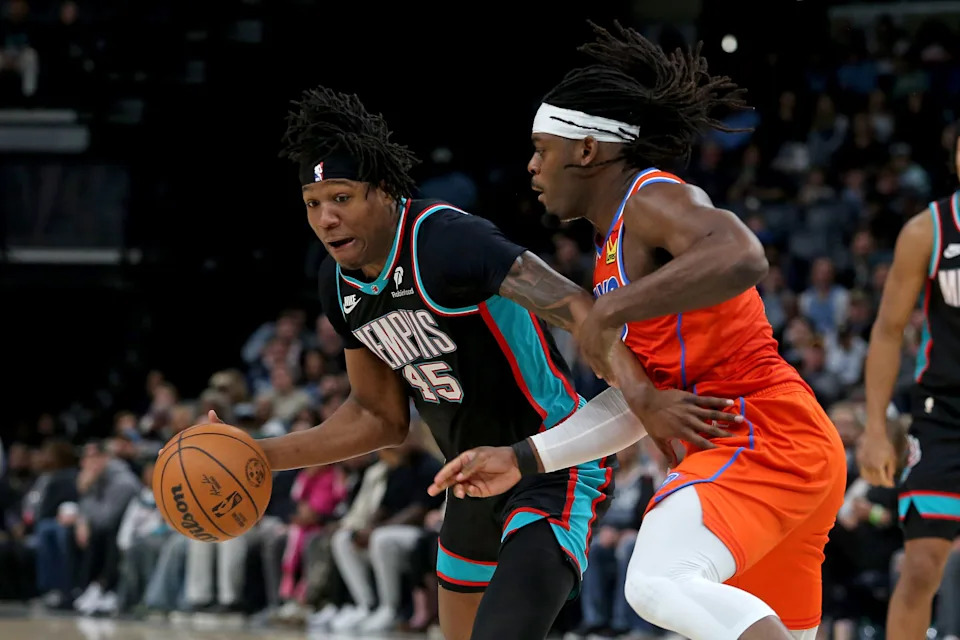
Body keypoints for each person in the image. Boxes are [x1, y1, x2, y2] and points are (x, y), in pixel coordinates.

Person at [191, 85, 736, 640]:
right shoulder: (338, 283)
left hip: (550, 464)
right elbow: (377, 417)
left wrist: (644, 399)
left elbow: (579, 309)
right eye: (313, 204)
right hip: (471, 480)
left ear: (382, 192)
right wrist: (258, 454)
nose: (327, 218)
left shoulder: (446, 240)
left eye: (341, 197)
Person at [428, 22, 847, 640]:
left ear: (588, 151)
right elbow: (639, 403)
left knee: (658, 582)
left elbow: (743, 255)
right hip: (777, 446)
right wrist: (522, 459)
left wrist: (609, 311)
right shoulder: (610, 253)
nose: (532, 166)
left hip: (759, 434)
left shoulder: (651, 199)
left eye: (542, 149)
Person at [857, 131, 960, 639]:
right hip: (944, 415)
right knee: (920, 566)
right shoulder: (929, 230)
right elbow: (888, 329)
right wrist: (875, 427)